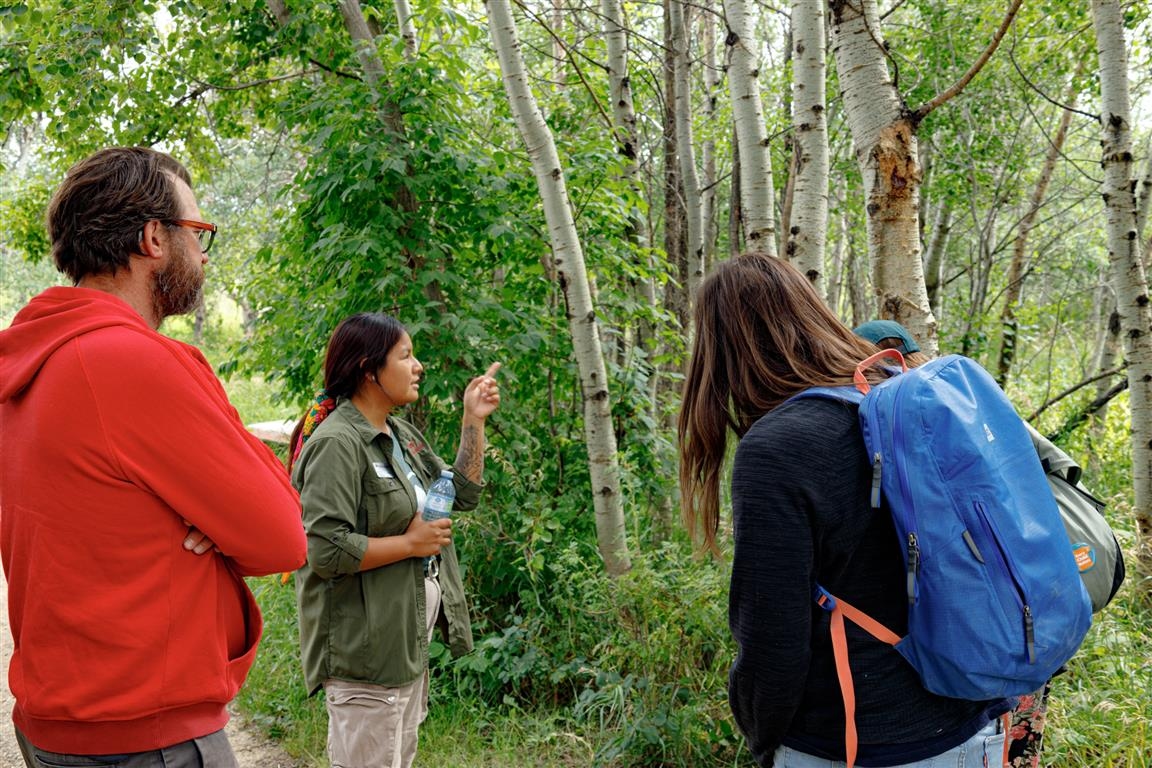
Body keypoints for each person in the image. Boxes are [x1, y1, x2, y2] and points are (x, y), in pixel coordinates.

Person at [0, 146, 308, 766]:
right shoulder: (130, 362)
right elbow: (284, 536)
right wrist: (210, 525)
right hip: (146, 737)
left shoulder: (28, 360)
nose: (202, 252)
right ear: (153, 239)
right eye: (198, 232)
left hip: (56, 725)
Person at [678, 253, 1013, 768]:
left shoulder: (779, 447)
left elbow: (772, 642)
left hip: (862, 743)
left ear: (721, 350)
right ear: (813, 314)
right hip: (976, 724)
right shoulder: (905, 398)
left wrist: (762, 737)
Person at [287, 312, 500, 768]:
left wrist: (473, 420)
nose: (418, 365)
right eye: (405, 356)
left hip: (403, 644)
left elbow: (460, 492)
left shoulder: (398, 434)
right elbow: (324, 550)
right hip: (364, 655)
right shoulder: (337, 444)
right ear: (368, 370)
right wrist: (410, 544)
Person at [852, 319, 1049, 768]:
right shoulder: (968, 403)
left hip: (986, 624)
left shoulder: (890, 423)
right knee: (1020, 741)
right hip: (1034, 595)